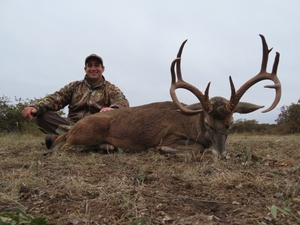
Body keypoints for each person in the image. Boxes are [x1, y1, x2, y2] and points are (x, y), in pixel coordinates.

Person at [22, 54, 129, 148]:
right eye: (90, 65)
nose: (93, 68)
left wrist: (113, 109)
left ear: (103, 69)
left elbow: (122, 102)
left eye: (97, 65)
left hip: (97, 128)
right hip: (73, 124)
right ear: (85, 69)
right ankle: (89, 142)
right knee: (42, 116)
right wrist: (35, 107)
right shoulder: (74, 86)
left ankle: (67, 139)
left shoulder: (111, 88)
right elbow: (56, 98)